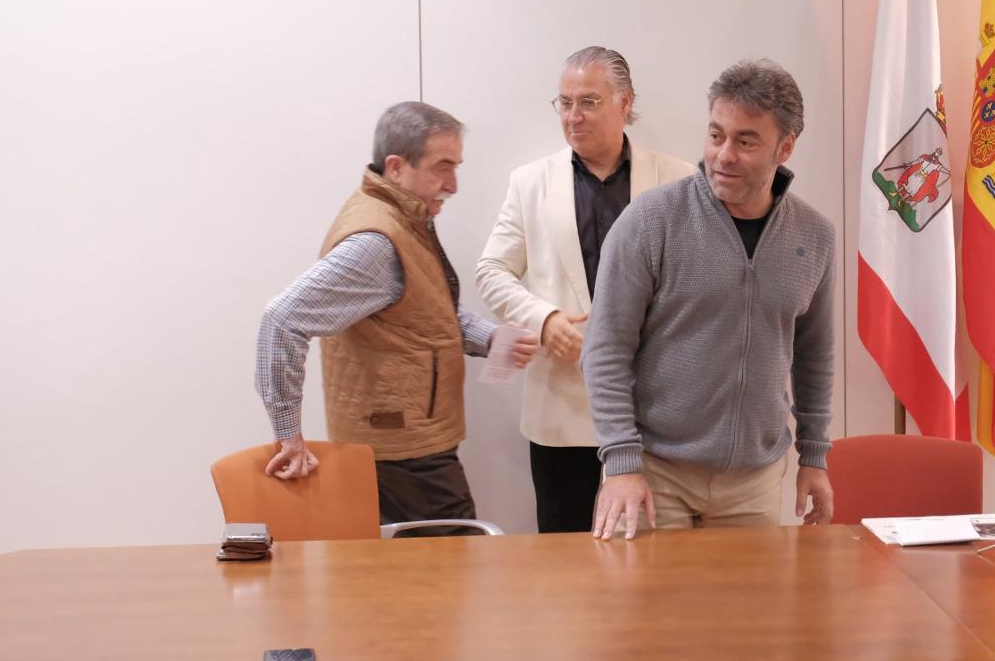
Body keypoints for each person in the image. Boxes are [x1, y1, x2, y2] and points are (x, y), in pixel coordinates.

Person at [254, 101, 538, 532]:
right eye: (443, 166)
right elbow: (282, 320)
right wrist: (288, 434)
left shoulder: (400, 220)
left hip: (411, 447)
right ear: (396, 167)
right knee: (444, 579)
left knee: (413, 587)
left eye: (457, 166)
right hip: (404, 458)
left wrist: (490, 337)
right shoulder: (377, 241)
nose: (454, 184)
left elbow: (419, 311)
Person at [582, 59, 836, 539]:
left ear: (785, 147)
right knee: (645, 614)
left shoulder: (815, 237)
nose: (724, 155)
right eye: (716, 135)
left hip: (755, 485)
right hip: (653, 477)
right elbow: (605, 349)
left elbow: (814, 357)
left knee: (747, 616)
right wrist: (621, 464)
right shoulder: (650, 221)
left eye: (745, 141)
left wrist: (814, 457)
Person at [476, 46, 693, 533]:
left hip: (655, 415)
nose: (573, 116)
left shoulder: (678, 180)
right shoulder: (529, 182)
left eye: (589, 101)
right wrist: (544, 319)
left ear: (624, 102)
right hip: (561, 414)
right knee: (563, 568)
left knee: (648, 562)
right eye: (564, 102)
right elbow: (491, 270)